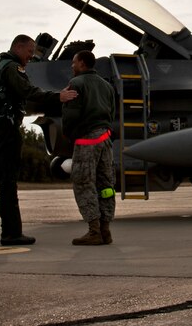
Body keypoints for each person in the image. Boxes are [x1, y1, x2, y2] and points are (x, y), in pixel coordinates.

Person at [0, 35, 77, 246]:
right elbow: (27, 91)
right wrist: (58, 97)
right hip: (6, 126)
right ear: (18, 47)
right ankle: (11, 233)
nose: (30, 57)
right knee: (8, 180)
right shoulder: (12, 68)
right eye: (29, 52)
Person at [62, 50, 117, 246]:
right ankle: (105, 230)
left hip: (87, 140)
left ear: (83, 64)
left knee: (84, 182)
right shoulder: (107, 86)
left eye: (74, 62)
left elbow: (71, 115)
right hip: (105, 139)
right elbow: (112, 113)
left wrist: (68, 134)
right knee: (106, 186)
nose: (72, 66)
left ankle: (94, 230)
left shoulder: (76, 84)